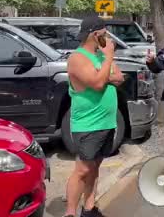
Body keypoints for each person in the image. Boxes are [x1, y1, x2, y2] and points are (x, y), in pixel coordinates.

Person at [64, 16, 124, 217]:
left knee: (95, 166)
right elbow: (99, 84)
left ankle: (89, 208)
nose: (107, 38)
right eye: (105, 34)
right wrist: (108, 60)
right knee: (82, 170)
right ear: (95, 35)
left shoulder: (99, 57)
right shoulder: (77, 58)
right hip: (88, 124)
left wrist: (103, 71)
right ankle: (70, 212)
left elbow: (119, 77)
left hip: (106, 122)